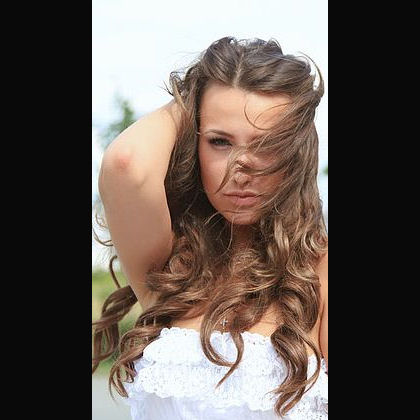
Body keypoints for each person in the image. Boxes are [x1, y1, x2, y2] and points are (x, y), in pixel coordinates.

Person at [92, 36, 328, 419]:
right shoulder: (172, 266)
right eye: (220, 141)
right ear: (193, 144)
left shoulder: (317, 275)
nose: (241, 170)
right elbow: (126, 163)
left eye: (268, 145)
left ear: (296, 153)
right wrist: (194, 93)